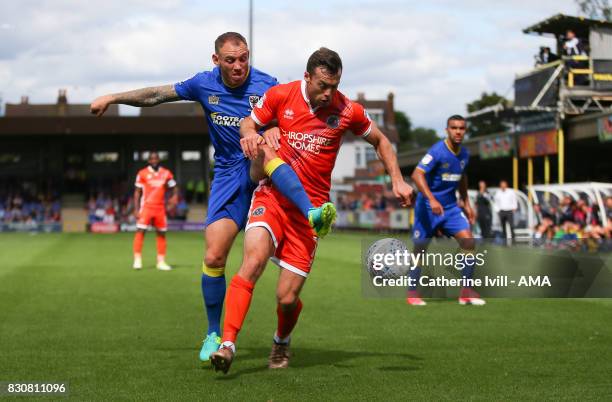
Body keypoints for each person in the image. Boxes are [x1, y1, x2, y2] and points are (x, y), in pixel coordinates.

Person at [90, 32, 334, 362]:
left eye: (244, 58)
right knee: (215, 257)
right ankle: (212, 333)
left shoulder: (268, 84)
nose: (239, 66)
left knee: (261, 149)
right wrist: (112, 97)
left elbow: (292, 112)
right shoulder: (203, 85)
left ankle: (311, 211)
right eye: (230, 60)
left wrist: (276, 127)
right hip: (227, 175)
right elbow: (156, 95)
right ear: (216, 60)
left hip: (267, 173)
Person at [210, 47, 414, 374]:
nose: (328, 93)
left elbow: (381, 141)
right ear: (307, 77)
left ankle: (281, 339)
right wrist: (249, 134)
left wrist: (398, 180)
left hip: (313, 211)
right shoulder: (281, 95)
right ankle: (228, 344)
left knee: (286, 298)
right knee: (254, 259)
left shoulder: (347, 109)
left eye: (334, 86)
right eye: (322, 85)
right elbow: (249, 123)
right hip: (273, 197)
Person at [406, 115, 485, 307]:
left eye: (461, 128)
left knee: (468, 242)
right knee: (420, 251)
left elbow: (462, 177)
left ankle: (466, 292)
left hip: (450, 208)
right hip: (427, 208)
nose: (458, 131)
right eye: (454, 128)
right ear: (447, 130)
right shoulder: (437, 151)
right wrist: (431, 199)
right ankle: (412, 293)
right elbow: (416, 174)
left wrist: (466, 202)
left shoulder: (465, 154)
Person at [132, 152, 178, 270]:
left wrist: (174, 198)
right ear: (149, 161)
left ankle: (161, 262)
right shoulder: (142, 173)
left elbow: (174, 187)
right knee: (140, 231)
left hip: (160, 208)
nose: (154, 160)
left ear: (159, 160)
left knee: (161, 233)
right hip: (146, 207)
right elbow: (137, 192)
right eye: (152, 159)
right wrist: (136, 209)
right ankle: (137, 260)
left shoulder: (166, 173)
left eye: (156, 158)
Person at [494, 180, 517, 245]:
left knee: (511, 226)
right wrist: (497, 210)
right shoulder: (498, 192)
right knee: (503, 227)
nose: (503, 186)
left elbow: (514, 200)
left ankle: (513, 241)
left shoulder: (511, 191)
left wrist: (514, 207)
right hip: (502, 211)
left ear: (506, 185)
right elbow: (496, 202)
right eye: (502, 185)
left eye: (504, 185)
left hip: (509, 211)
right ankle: (505, 242)